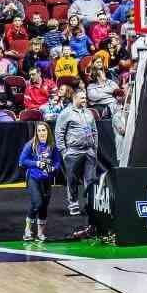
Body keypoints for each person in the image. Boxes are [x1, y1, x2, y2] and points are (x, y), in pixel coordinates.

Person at [55, 89, 99, 217]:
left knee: (91, 180)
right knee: (72, 180)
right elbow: (59, 133)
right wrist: (64, 151)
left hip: (89, 151)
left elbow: (94, 131)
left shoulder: (89, 112)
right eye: (82, 98)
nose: (85, 100)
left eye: (85, 98)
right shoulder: (65, 113)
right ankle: (73, 204)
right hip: (73, 152)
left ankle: (90, 204)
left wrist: (94, 148)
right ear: (74, 98)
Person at [19, 122, 62, 243]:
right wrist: (36, 163)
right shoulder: (31, 145)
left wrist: (53, 168)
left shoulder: (52, 145)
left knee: (44, 205)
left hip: (47, 179)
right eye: (39, 131)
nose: (41, 133)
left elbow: (57, 162)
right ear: (36, 133)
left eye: (44, 130)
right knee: (37, 202)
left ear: (48, 131)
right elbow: (22, 160)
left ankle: (40, 233)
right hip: (33, 177)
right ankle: (27, 230)